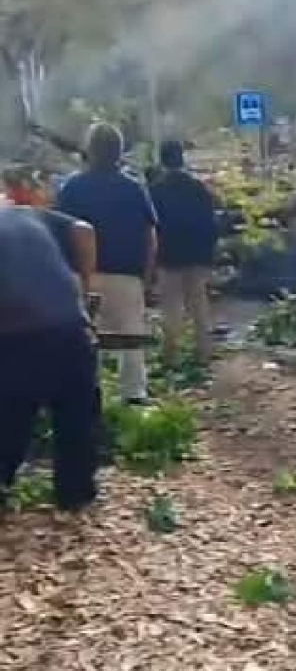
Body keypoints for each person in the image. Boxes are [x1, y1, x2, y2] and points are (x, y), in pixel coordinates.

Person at [0, 206, 98, 512]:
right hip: (72, 328)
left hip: (17, 335)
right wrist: (87, 286)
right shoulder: (28, 214)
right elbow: (84, 229)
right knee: (77, 415)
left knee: (10, 418)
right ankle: (75, 495)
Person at [58, 123, 157, 403]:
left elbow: (62, 231)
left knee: (87, 340)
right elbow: (150, 236)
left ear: (89, 151)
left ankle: (89, 395)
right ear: (119, 152)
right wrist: (148, 277)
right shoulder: (134, 188)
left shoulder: (72, 188)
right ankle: (134, 399)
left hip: (85, 275)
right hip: (126, 275)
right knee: (131, 340)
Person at [149, 139, 217, 366]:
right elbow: (211, 223)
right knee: (198, 304)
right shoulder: (199, 188)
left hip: (169, 256)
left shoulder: (155, 190)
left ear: (162, 160)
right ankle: (204, 353)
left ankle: (170, 356)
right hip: (197, 255)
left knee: (171, 308)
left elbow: (152, 226)